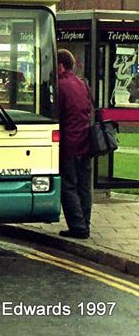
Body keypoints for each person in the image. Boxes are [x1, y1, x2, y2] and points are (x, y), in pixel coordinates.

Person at [57, 49, 93, 239]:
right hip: (86, 142)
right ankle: (85, 223)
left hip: (70, 143)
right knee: (84, 186)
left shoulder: (60, 86)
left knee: (68, 185)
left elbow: (57, 115)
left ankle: (78, 227)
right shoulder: (82, 83)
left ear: (60, 65)